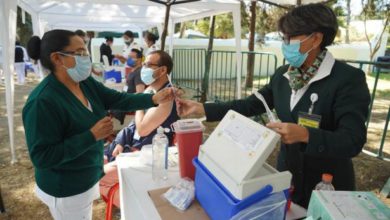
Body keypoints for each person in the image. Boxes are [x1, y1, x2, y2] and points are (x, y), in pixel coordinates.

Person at [176, 3, 370, 208]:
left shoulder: (347, 79)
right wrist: (203, 108)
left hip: (326, 187)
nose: (286, 44)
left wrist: (306, 135)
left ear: (316, 38)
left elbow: (353, 140)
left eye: (291, 37)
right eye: (284, 38)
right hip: (288, 176)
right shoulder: (283, 75)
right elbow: (251, 104)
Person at [23, 30, 174, 220]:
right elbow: (42, 157)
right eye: (79, 53)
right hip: (66, 188)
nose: (86, 57)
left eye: (85, 51)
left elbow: (118, 99)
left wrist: (152, 98)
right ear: (57, 58)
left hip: (87, 176)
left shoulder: (84, 83)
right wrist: (91, 135)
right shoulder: (42, 102)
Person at [100, 50, 180, 208]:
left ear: (163, 70)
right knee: (91, 164)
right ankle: (131, 205)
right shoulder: (150, 90)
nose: (143, 68)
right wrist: (120, 142)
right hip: (127, 147)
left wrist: (140, 102)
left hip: (145, 156)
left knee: (96, 176)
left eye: (148, 65)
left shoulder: (166, 97)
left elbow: (142, 129)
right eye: (143, 64)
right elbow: (132, 126)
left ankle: (137, 210)